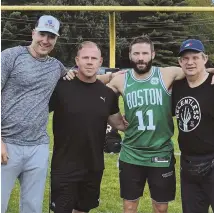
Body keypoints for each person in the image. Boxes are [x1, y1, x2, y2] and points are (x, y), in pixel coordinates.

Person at [107, 35, 214, 213]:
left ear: (153, 54)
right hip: (132, 153)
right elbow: (98, 95)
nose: (140, 57)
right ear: (130, 55)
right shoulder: (121, 79)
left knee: (161, 208)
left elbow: (198, 70)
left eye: (145, 53)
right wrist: (115, 121)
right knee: (129, 206)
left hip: (161, 152)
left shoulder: (167, 73)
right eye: (136, 53)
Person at [49, 41, 127, 213]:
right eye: (85, 57)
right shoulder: (61, 87)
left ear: (100, 62)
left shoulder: (107, 94)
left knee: (83, 210)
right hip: (64, 166)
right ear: (77, 60)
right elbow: (38, 113)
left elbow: (120, 124)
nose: (90, 62)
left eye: (94, 58)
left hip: (93, 166)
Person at [1, 15, 66, 213]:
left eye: (51, 36)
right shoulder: (11, 56)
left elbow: (83, 78)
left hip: (38, 146)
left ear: (56, 40)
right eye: (42, 34)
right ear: (33, 33)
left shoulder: (56, 66)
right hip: (6, 144)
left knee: (33, 207)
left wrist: (114, 77)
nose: (45, 41)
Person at [172, 39, 214, 213]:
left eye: (195, 57)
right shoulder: (177, 87)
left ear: (205, 58)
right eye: (185, 59)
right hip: (188, 165)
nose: (190, 62)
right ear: (180, 62)